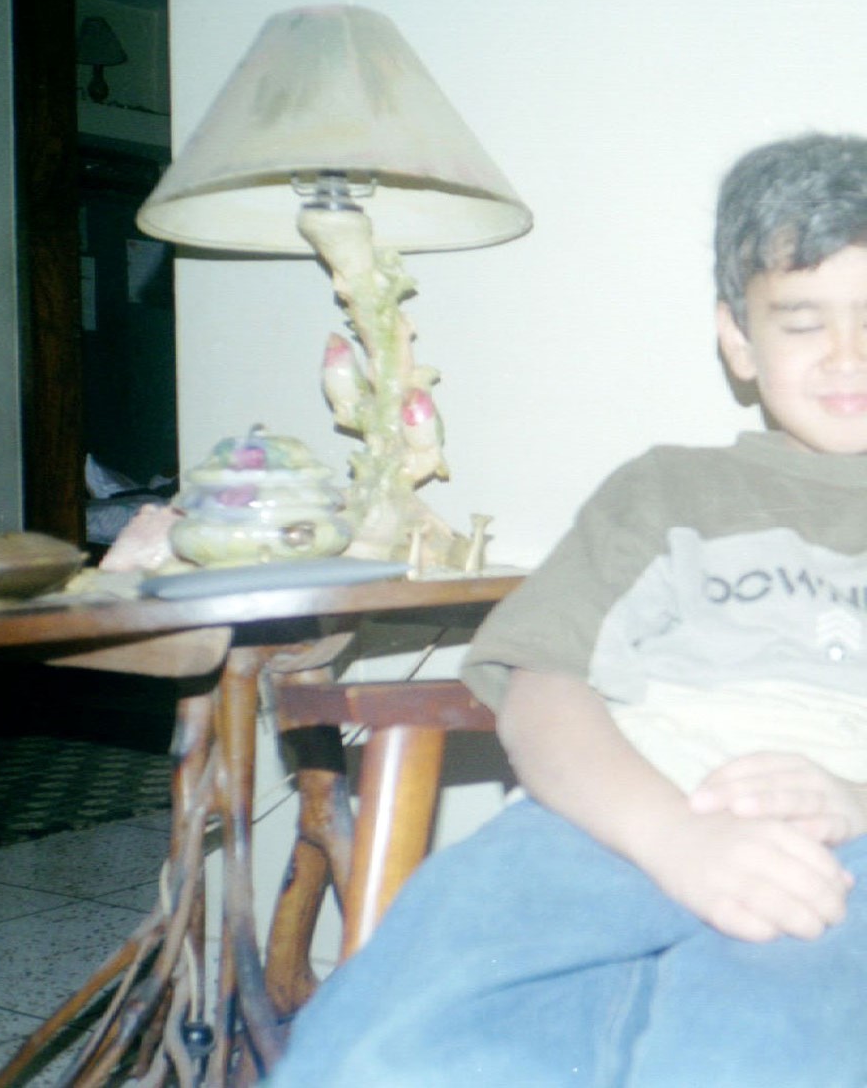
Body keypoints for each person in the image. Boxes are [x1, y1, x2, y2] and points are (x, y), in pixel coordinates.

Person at [263, 132, 867, 1087]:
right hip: (608, 815)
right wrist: (674, 839)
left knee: (750, 1055)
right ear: (739, 341)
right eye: (802, 321)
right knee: (380, 1053)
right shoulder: (665, 491)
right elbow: (543, 693)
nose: (847, 354)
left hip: (841, 854)